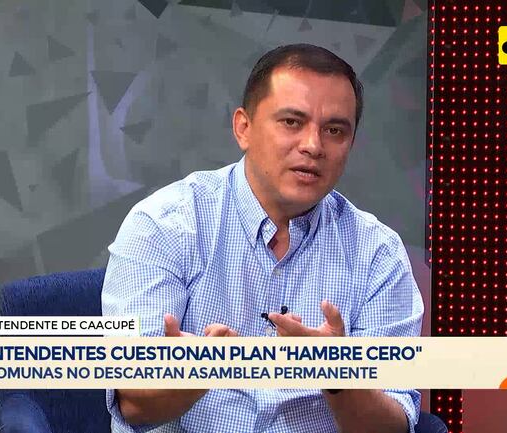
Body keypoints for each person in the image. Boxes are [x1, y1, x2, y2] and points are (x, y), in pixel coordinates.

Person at [102, 43, 424, 433]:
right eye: (292, 122)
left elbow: (394, 427)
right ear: (244, 128)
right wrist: (201, 371)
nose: (313, 145)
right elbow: (132, 402)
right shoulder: (164, 225)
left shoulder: (378, 254)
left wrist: (337, 375)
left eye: (334, 130)